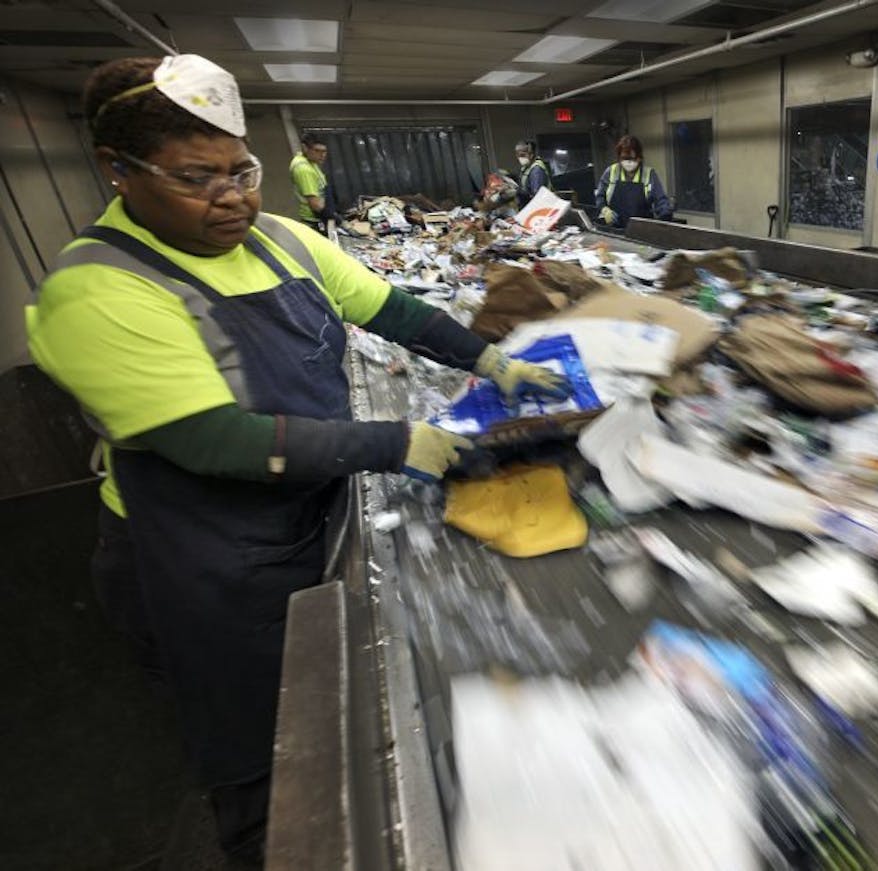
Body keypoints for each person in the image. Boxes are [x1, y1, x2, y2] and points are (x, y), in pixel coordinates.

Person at [25, 54, 570, 863]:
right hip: (200, 554)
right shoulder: (97, 288)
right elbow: (212, 439)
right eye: (194, 177)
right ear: (118, 171)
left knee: (331, 696)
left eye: (241, 170)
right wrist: (399, 442)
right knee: (267, 756)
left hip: (303, 500)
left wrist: (489, 360)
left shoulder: (279, 239)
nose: (232, 196)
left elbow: (397, 309)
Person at [594, 134, 673, 229]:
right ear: (619, 158)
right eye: (624, 158)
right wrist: (605, 210)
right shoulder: (611, 172)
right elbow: (600, 196)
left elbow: (661, 200)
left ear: (639, 158)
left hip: (642, 231)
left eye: (631, 158)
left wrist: (665, 215)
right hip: (614, 229)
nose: (628, 162)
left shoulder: (649, 174)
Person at [289, 132, 336, 232]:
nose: (322, 155)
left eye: (324, 151)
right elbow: (316, 205)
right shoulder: (303, 168)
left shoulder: (310, 162)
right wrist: (338, 220)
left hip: (319, 218)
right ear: (305, 148)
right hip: (314, 222)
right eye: (317, 151)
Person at [515, 139, 551, 206]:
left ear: (531, 155)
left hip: (539, 207)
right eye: (518, 155)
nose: (519, 158)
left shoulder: (536, 170)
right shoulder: (526, 167)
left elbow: (537, 196)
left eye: (522, 155)